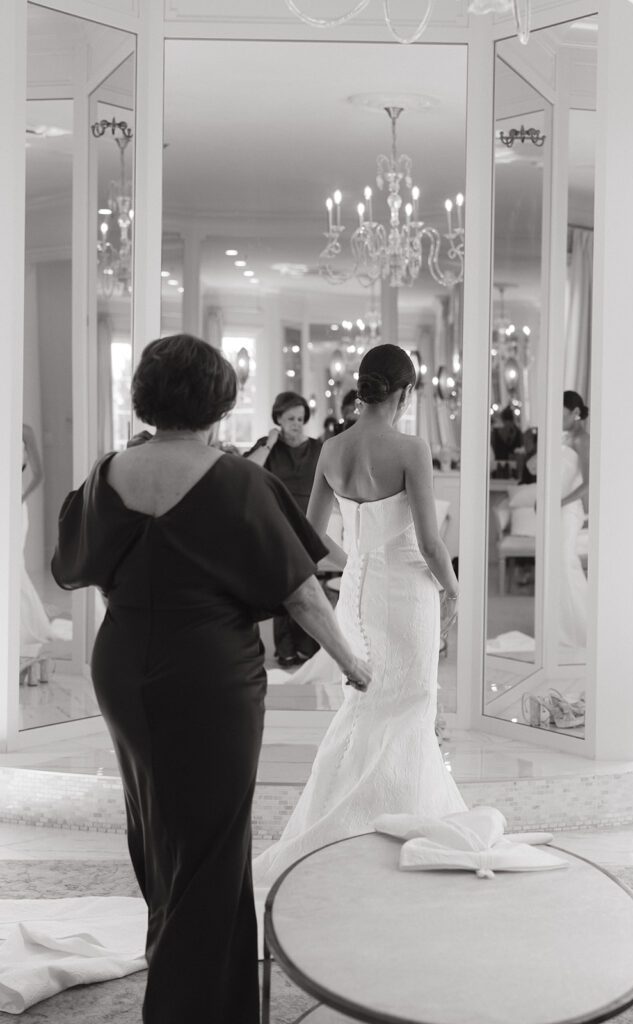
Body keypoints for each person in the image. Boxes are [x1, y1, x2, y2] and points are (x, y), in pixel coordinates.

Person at [51, 335, 371, 1024]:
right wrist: (352, 662)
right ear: (219, 401)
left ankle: (184, 973)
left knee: (159, 828)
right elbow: (303, 594)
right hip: (208, 676)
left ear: (147, 397)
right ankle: (189, 1006)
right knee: (213, 843)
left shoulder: (111, 471)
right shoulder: (236, 480)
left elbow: (70, 557)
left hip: (125, 665)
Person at [252, 343, 466, 898]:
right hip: (407, 591)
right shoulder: (410, 447)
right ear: (403, 392)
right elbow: (430, 540)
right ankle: (401, 822)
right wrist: (454, 589)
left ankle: (338, 820)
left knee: (363, 702)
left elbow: (309, 531)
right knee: (412, 701)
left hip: (359, 595)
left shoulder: (331, 449)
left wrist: (355, 561)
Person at [245, 391, 323, 666]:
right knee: (282, 588)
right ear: (278, 418)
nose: (296, 423)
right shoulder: (268, 447)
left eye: (300, 418)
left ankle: (308, 647)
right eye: (290, 418)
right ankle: (286, 650)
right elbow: (245, 472)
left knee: (308, 588)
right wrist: (269, 443)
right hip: (275, 526)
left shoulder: (317, 448)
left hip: (308, 525)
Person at [559, 390, 590, 648]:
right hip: (557, 510)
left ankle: (584, 629)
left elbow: (588, 484)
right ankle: (559, 627)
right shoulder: (565, 437)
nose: (559, 417)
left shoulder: (582, 439)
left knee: (565, 563)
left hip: (569, 512)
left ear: (575, 413)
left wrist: (559, 503)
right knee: (557, 567)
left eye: (563, 412)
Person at [21, 423, 54, 659]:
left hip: (14, 506)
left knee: (14, 564)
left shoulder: (25, 431)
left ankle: (22, 626)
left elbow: (39, 474)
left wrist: (19, 497)